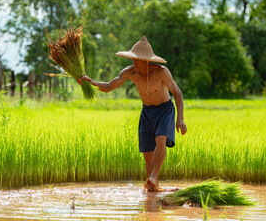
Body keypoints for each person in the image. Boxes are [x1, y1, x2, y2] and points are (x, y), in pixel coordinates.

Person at [77, 36, 187, 192]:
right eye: (133, 59)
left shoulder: (161, 72)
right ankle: (152, 185)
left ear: (147, 61)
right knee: (147, 151)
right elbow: (108, 86)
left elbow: (177, 92)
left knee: (161, 139)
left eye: (138, 60)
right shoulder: (129, 72)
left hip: (165, 110)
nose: (134, 63)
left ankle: (155, 176)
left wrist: (180, 119)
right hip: (147, 111)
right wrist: (91, 82)